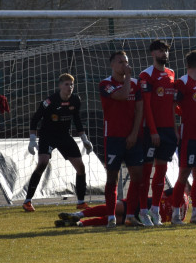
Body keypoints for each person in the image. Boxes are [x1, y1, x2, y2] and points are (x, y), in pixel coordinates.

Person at [23, 73, 93, 212]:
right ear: (60, 86)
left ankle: (80, 202)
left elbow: (77, 119)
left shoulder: (75, 100)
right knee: (42, 163)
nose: (70, 87)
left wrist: (84, 138)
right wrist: (32, 140)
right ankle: (27, 201)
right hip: (48, 135)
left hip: (64, 136)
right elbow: (35, 118)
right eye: (66, 84)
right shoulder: (50, 101)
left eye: (71, 84)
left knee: (80, 167)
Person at [99, 51, 146, 227]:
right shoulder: (105, 84)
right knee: (112, 177)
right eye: (120, 62)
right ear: (112, 64)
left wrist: (134, 133)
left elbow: (139, 110)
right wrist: (128, 78)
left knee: (138, 176)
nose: (124, 65)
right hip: (113, 137)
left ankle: (131, 216)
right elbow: (122, 95)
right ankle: (111, 217)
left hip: (133, 137)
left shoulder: (136, 85)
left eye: (126, 61)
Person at [169, 50, 196, 225]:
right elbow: (172, 106)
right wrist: (175, 131)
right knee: (184, 174)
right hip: (188, 137)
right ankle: (175, 214)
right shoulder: (182, 83)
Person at [136, 40, 177, 226]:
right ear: (153, 53)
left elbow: (171, 106)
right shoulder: (146, 75)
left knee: (162, 171)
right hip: (152, 131)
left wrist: (175, 130)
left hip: (168, 131)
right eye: (161, 51)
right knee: (146, 172)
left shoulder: (171, 74)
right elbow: (147, 107)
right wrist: (153, 131)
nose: (164, 54)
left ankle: (155, 211)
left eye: (166, 51)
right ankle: (143, 211)